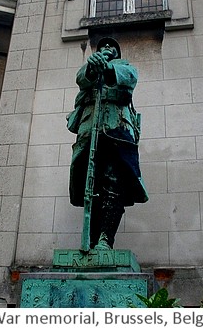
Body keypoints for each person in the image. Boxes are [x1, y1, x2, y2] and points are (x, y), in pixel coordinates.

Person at [67, 37, 148, 250]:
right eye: (102, 46)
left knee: (114, 182)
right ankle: (92, 240)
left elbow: (129, 78)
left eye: (112, 46)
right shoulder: (89, 67)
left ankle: (105, 240)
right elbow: (81, 79)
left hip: (116, 130)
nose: (106, 48)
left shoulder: (124, 66)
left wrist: (108, 69)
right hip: (89, 130)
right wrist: (94, 69)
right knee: (90, 185)